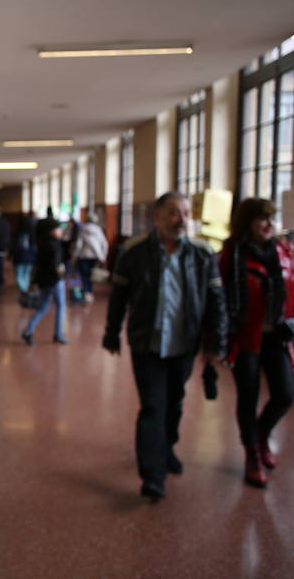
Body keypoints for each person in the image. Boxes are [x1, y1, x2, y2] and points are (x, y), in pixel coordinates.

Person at [102, 192, 227, 500]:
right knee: (153, 405)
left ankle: (167, 447)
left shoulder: (202, 254)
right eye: (173, 213)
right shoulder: (132, 252)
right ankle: (152, 475)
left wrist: (217, 341)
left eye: (185, 213)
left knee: (175, 402)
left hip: (184, 343)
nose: (181, 219)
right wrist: (111, 333)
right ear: (156, 217)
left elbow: (216, 302)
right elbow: (118, 297)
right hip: (147, 342)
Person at [218, 198, 294, 488]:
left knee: (285, 393)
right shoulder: (231, 255)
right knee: (247, 397)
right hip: (245, 339)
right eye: (261, 218)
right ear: (246, 222)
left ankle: (262, 434)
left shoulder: (285, 254)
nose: (268, 224)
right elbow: (219, 301)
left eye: (271, 218)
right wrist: (215, 342)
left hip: (278, 338)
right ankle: (252, 455)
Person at [21, 219, 68, 345]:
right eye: (58, 228)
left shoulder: (42, 243)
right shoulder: (54, 245)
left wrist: (34, 281)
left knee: (43, 308)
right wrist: (61, 276)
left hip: (44, 281)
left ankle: (28, 331)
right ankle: (58, 334)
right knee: (61, 306)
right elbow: (56, 265)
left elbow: (39, 265)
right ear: (51, 231)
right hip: (55, 281)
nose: (60, 231)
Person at [72, 213, 109, 302]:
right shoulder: (98, 230)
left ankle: (86, 293)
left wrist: (74, 257)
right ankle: (90, 292)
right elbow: (105, 244)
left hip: (83, 257)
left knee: (84, 275)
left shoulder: (83, 229)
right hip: (95, 257)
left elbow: (78, 245)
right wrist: (103, 256)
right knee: (92, 275)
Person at [13, 211, 37, 292]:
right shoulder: (32, 235)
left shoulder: (18, 235)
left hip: (20, 258)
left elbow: (15, 247)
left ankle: (24, 290)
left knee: (20, 275)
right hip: (29, 258)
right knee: (26, 274)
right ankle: (25, 289)